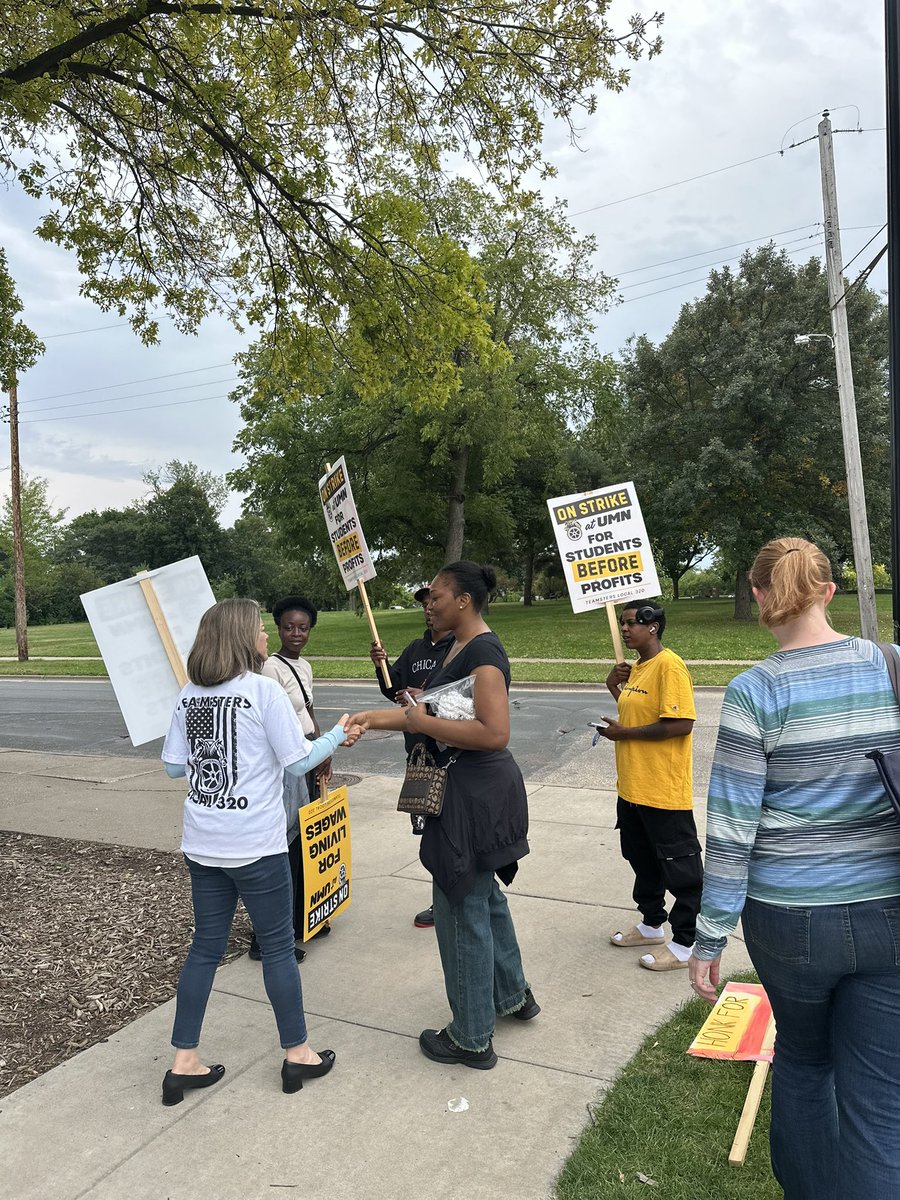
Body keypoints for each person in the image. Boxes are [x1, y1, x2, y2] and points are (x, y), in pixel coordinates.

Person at [689, 537, 900, 1200]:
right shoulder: (892, 667)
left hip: (789, 922)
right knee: (881, 1102)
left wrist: (710, 935)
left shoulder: (755, 692)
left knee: (805, 1066)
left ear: (758, 596)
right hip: (890, 908)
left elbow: (731, 831)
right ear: (828, 592)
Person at [159, 598, 364, 1106]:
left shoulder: (188, 695)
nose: (267, 637)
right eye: (259, 629)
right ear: (240, 636)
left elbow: (171, 767)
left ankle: (183, 1061)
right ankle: (298, 1054)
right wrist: (340, 734)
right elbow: (298, 763)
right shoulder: (263, 691)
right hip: (256, 846)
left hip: (202, 844)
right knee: (277, 947)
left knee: (205, 948)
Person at [350, 562, 538, 1070]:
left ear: (464, 601)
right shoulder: (454, 647)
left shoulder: (483, 656)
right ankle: (512, 996)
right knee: (484, 898)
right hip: (470, 792)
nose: (428, 602)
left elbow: (494, 732)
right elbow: (426, 714)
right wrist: (372, 718)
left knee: (460, 909)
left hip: (472, 798)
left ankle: (470, 1037)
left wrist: (423, 720)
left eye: (436, 595)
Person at [596, 603, 700, 971]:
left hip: (662, 788)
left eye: (631, 624)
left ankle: (687, 944)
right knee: (641, 861)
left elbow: (680, 723)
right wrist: (614, 686)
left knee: (681, 870)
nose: (625, 630)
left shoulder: (669, 666)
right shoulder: (636, 667)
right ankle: (652, 924)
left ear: (652, 627)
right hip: (632, 787)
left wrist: (623, 733)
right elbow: (639, 714)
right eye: (622, 623)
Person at [369, 584, 454, 928]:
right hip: (418, 756)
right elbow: (394, 690)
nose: (428, 608)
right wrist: (382, 666)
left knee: (451, 833)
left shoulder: (461, 649)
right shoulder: (416, 648)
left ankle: (450, 900)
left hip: (449, 756)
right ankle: (444, 896)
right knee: (430, 835)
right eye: (425, 603)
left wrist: (427, 695)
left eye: (434, 601)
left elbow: (467, 696)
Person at [259, 594, 333, 950]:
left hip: (308, 753)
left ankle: (309, 914)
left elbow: (308, 710)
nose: (296, 634)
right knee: (288, 840)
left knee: (309, 839)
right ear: (278, 629)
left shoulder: (304, 666)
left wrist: (324, 750)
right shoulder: (269, 668)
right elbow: (275, 723)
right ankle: (278, 930)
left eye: (303, 627)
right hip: (289, 762)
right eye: (289, 627)